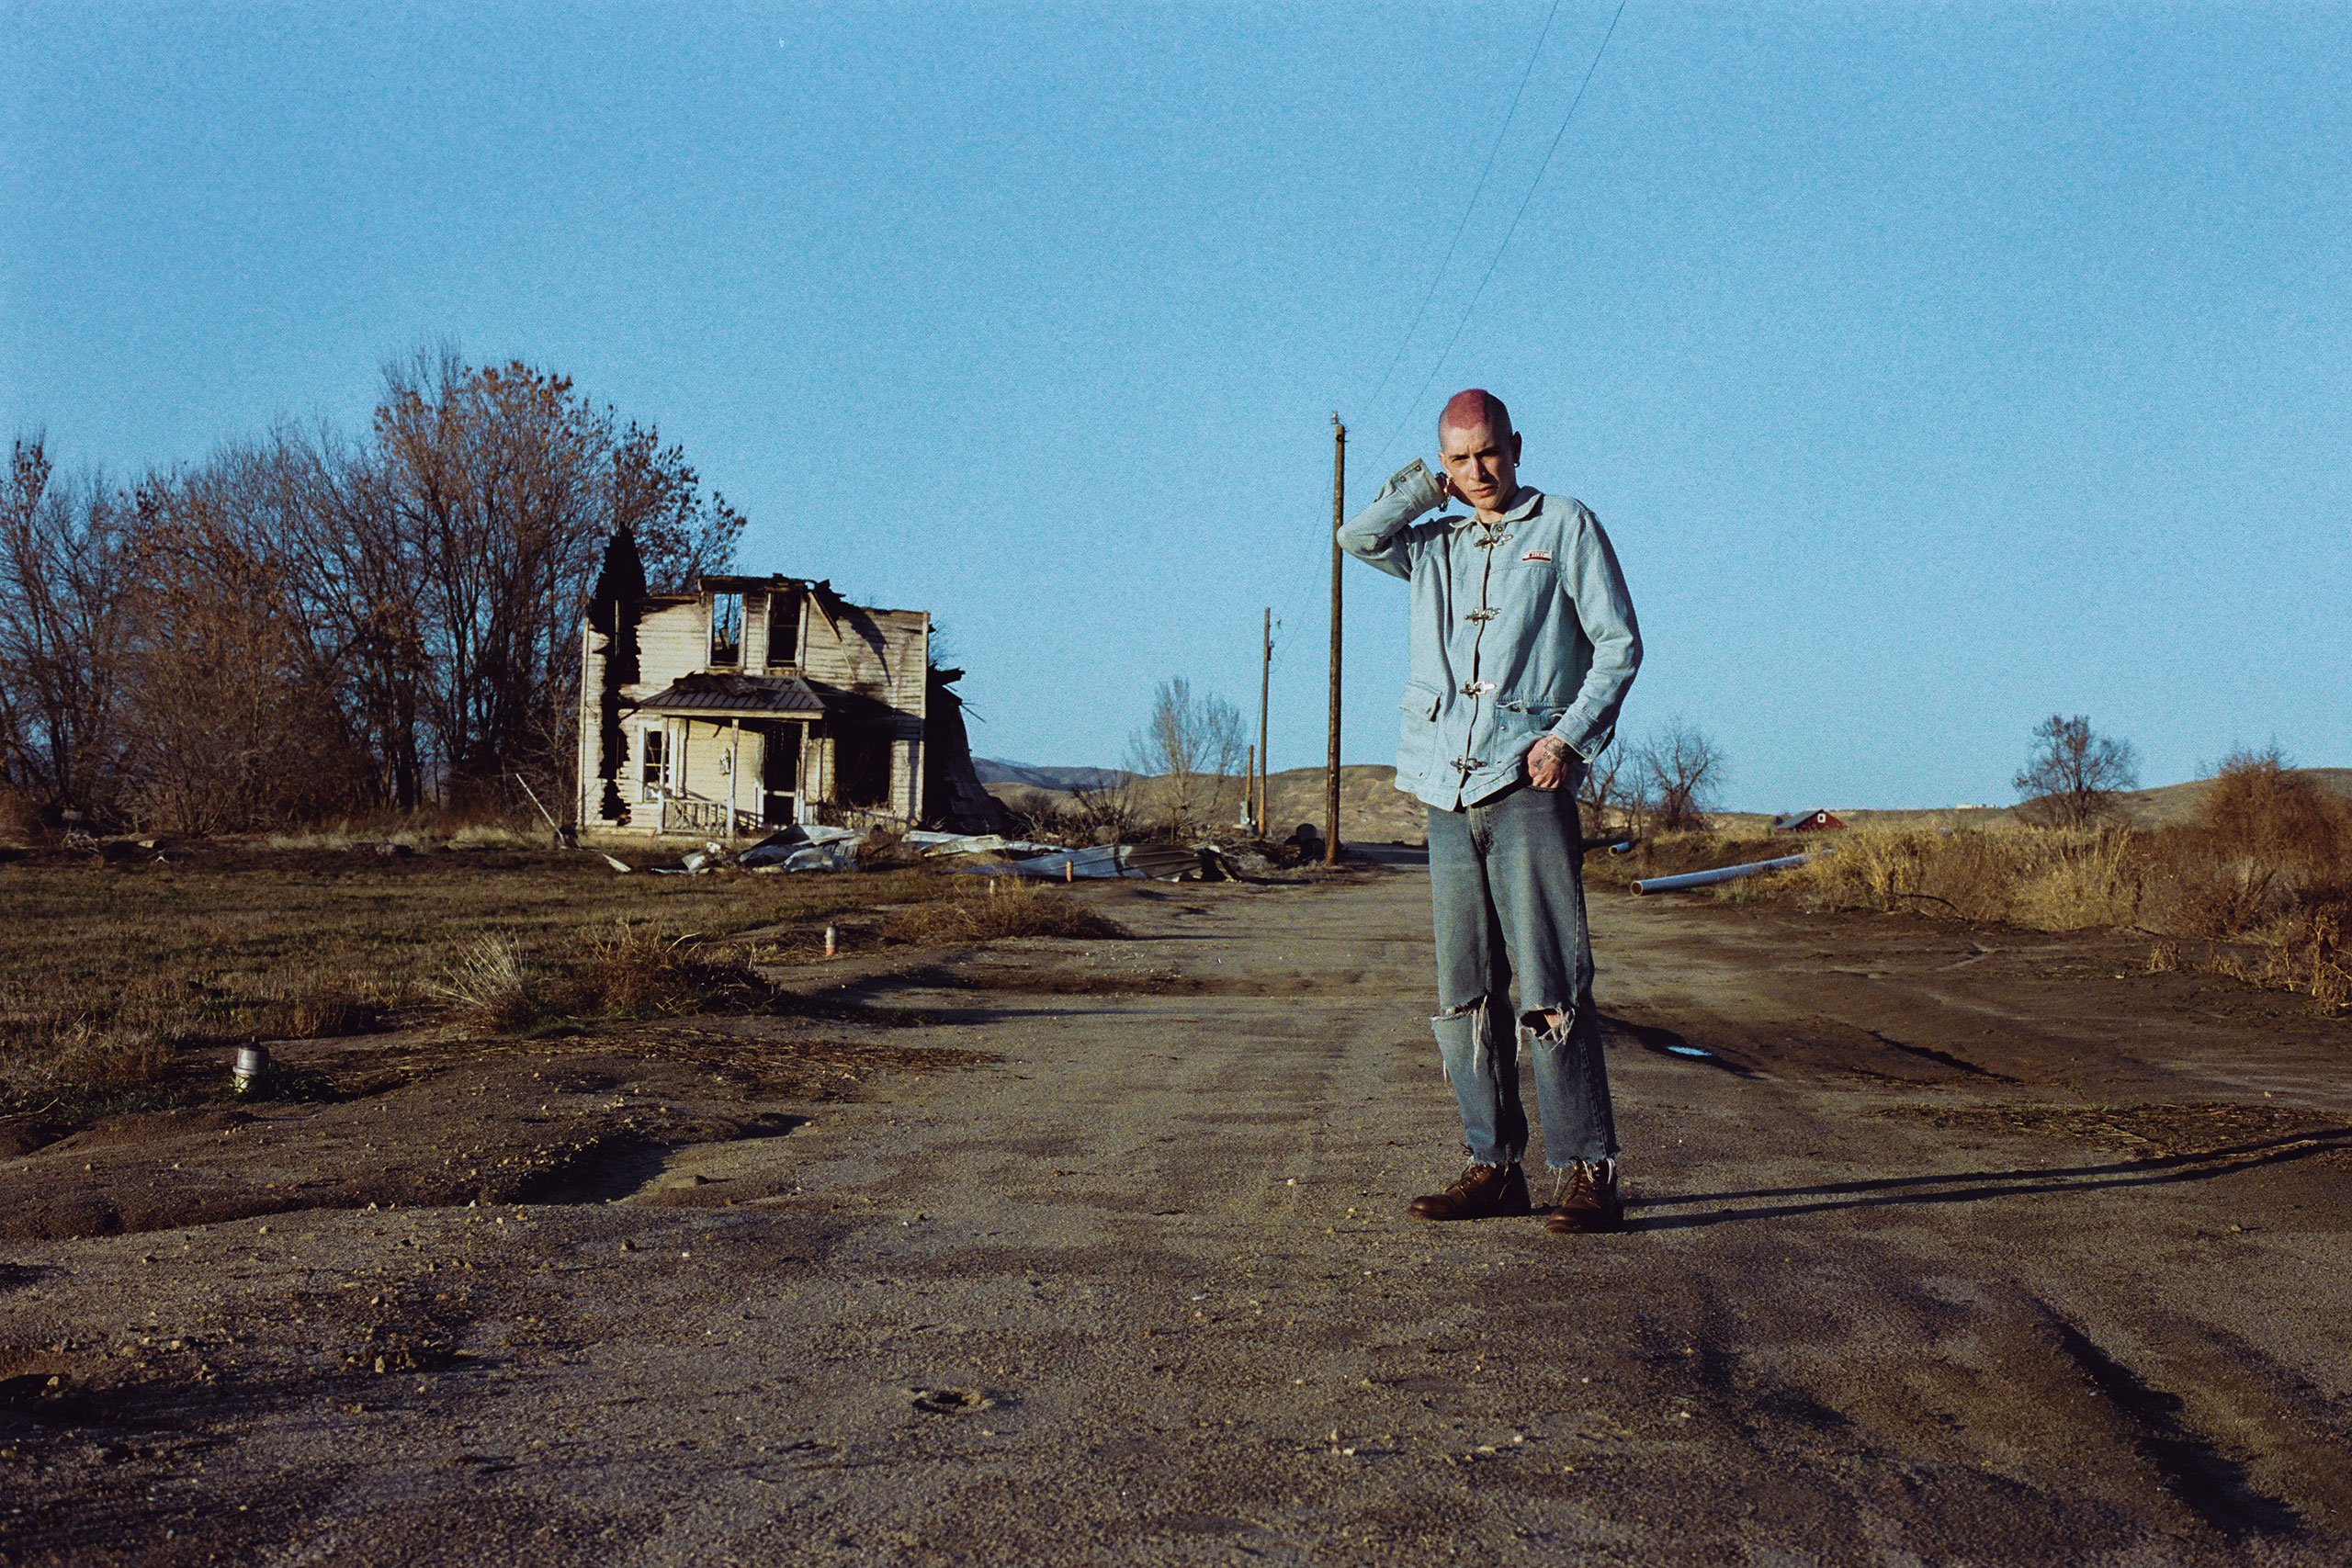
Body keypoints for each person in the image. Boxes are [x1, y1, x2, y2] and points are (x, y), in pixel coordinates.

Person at [1337, 389, 1641, 1233]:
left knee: (1550, 985)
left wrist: (1568, 740)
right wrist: (1422, 492)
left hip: (1526, 784)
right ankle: (1492, 1165)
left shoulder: (1565, 526)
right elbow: (1355, 537)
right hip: (1446, 787)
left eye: (1490, 453)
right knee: (1463, 990)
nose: (1478, 472)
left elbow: (1620, 645)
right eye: (1460, 459)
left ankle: (1588, 1171)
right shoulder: (1433, 546)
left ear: (1517, 444)